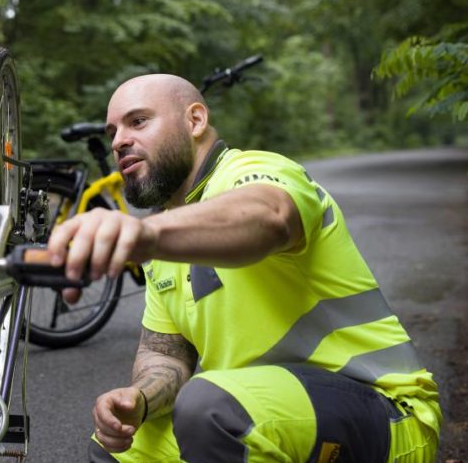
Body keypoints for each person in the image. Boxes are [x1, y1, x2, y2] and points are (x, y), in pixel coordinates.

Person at [45, 74, 442, 462]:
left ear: (195, 120)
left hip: (383, 413)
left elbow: (269, 216)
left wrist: (143, 235)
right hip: (263, 414)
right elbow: (165, 355)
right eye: (113, 130)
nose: (118, 141)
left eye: (138, 121)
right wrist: (140, 399)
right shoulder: (167, 232)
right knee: (118, 446)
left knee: (210, 409)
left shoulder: (255, 171)